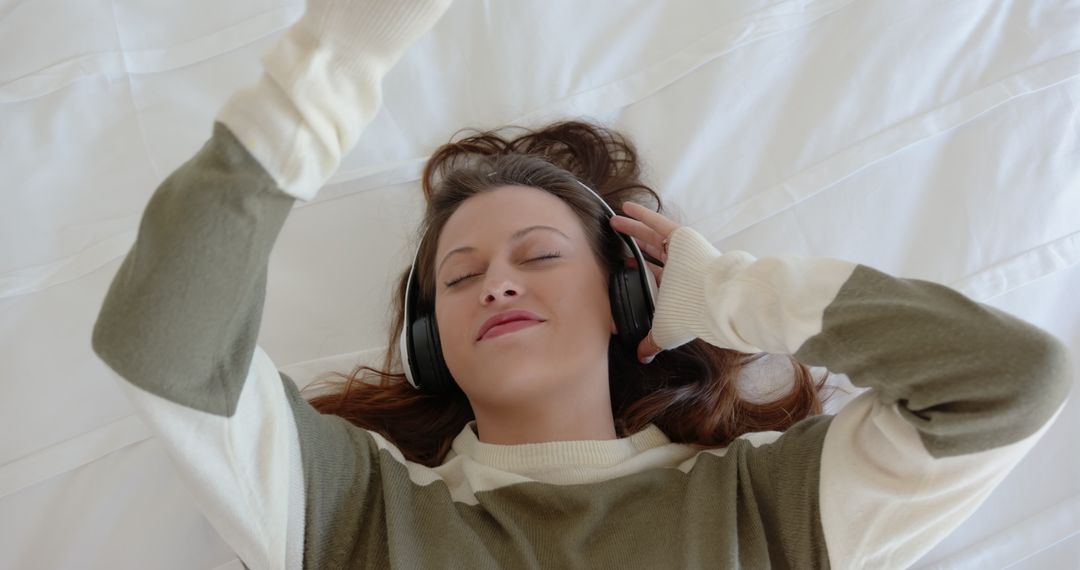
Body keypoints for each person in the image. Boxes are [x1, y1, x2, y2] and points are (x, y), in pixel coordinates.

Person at [89, 0, 1073, 568]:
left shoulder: (766, 512)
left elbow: (1010, 381)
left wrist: (734, 294)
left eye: (540, 255)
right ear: (435, 346)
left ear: (629, 302)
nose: (495, 285)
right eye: (460, 277)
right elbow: (164, 340)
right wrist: (334, 61)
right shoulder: (357, 514)